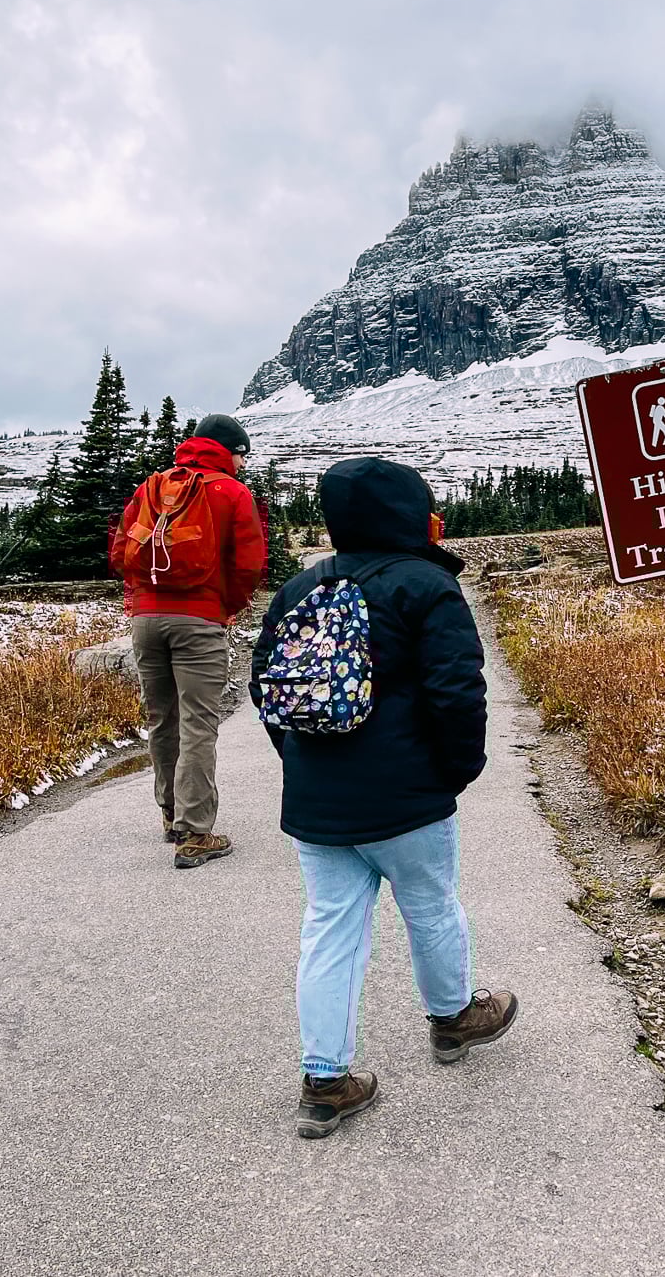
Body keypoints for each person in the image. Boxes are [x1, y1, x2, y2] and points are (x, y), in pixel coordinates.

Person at [249, 455, 518, 1140]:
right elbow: (457, 692)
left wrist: (302, 764)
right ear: (409, 515)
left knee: (330, 928)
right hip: (406, 796)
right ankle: (454, 1020)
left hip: (318, 802)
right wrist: (455, 771)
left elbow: (265, 689)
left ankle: (326, 1079)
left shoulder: (299, 588)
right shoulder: (427, 585)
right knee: (429, 905)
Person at [112, 412, 266, 869]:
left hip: (146, 619)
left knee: (162, 718)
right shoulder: (232, 492)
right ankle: (196, 833)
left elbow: (122, 551)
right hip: (198, 618)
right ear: (228, 451)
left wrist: (141, 599)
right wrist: (226, 606)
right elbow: (250, 564)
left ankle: (170, 813)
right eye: (241, 454)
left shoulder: (154, 486)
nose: (241, 463)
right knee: (199, 722)